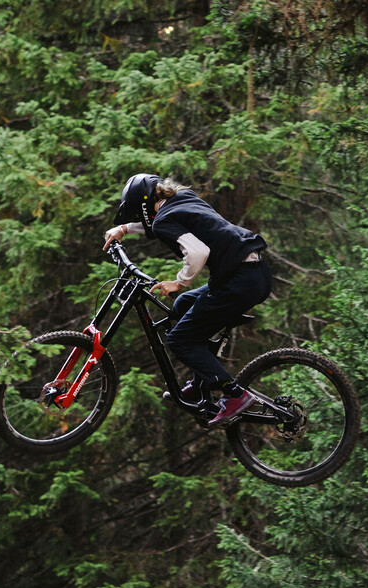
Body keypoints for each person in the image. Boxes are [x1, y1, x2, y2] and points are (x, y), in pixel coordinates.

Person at [103, 174, 272, 427]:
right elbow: (163, 224)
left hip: (239, 282)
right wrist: (125, 229)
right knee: (182, 305)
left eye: (136, 216)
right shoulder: (183, 199)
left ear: (143, 205)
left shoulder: (163, 219)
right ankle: (202, 380)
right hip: (252, 274)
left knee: (179, 339)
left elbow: (197, 252)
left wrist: (180, 282)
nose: (138, 220)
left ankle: (235, 394)